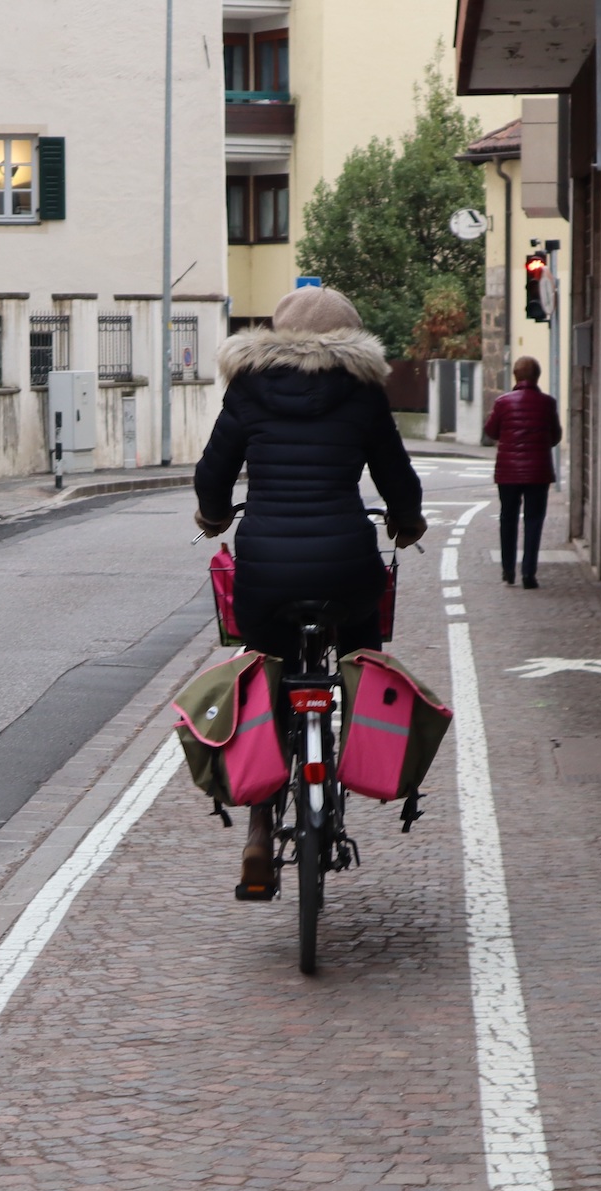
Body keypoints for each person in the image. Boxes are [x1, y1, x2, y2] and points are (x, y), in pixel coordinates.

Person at [193, 285, 425, 896]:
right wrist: (408, 522)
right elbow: (396, 474)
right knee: (362, 647)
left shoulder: (247, 389)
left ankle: (260, 828)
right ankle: (364, 755)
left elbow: (212, 473)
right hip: (345, 563)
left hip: (267, 566)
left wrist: (214, 517)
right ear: (351, 339)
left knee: (262, 666)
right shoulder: (363, 393)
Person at [482, 355, 563, 588]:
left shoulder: (502, 402)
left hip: (508, 473)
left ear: (515, 376)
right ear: (537, 376)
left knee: (508, 519)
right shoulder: (548, 403)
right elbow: (555, 436)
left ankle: (508, 570)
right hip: (538, 472)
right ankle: (529, 573)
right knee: (534, 520)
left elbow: (491, 431)